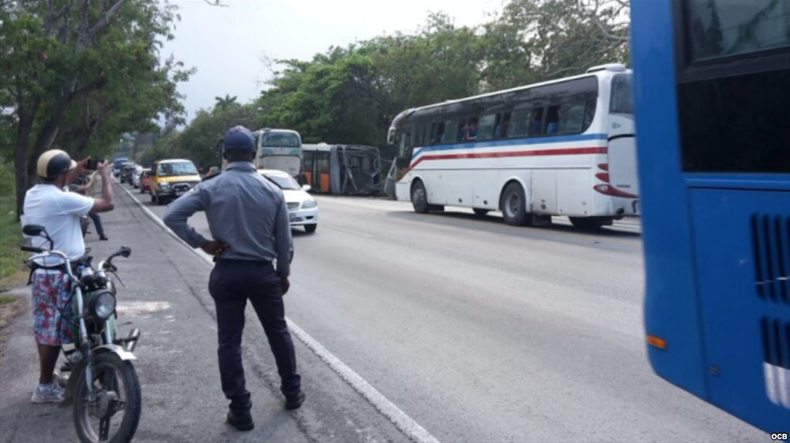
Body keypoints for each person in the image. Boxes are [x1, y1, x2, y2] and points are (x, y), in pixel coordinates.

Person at [164, 126, 303, 431]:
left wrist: (202, 243)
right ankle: (292, 393)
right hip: (263, 273)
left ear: (225, 155)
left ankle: (240, 410)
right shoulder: (272, 190)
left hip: (227, 272)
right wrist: (283, 274)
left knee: (229, 342)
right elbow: (284, 242)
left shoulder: (211, 187)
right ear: (253, 154)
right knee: (278, 332)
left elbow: (171, 215)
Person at [21, 149, 114, 403]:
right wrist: (105, 175)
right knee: (52, 332)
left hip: (47, 271)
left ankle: (49, 380)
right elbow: (108, 203)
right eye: (68, 172)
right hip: (60, 274)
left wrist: (77, 170)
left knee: (48, 329)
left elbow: (58, 186)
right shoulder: (61, 200)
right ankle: (44, 387)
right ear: (61, 174)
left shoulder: (34, 193)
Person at [71, 172, 108, 240]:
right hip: (74, 204)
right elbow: (84, 188)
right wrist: (90, 181)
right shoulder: (71, 185)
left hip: (84, 202)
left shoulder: (80, 180)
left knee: (96, 217)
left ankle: (101, 234)